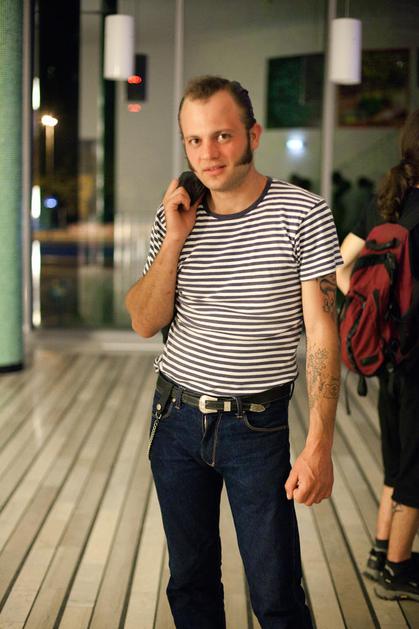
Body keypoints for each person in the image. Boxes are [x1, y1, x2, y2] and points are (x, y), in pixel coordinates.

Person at [125, 75, 342, 628]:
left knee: (276, 595)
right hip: (175, 420)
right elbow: (145, 321)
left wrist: (320, 444)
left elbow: (322, 332)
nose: (208, 154)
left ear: (253, 135)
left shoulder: (303, 213)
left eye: (222, 136)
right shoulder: (175, 215)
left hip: (257, 428)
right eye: (194, 141)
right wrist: (176, 238)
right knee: (190, 584)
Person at [336, 109, 419, 602]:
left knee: (396, 461)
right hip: (417, 359)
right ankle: (397, 569)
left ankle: (380, 551)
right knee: (415, 468)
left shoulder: (387, 198)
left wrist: (370, 312)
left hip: (388, 357)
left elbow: (338, 267)